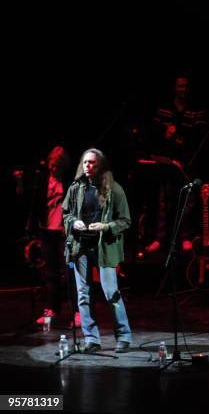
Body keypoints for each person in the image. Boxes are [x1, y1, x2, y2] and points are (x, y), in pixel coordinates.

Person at [63, 148, 132, 353]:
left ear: (100, 165)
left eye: (92, 162)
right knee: (83, 294)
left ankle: (124, 336)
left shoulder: (114, 189)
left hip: (104, 248)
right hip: (81, 246)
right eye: (85, 162)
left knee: (111, 292)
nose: (88, 166)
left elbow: (125, 220)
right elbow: (65, 213)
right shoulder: (75, 188)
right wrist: (73, 221)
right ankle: (91, 338)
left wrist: (106, 226)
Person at [13, 146, 80, 327]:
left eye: (57, 166)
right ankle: (52, 310)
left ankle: (77, 313)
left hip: (63, 233)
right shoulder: (42, 180)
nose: (53, 169)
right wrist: (19, 181)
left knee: (70, 272)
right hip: (46, 231)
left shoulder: (69, 183)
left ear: (63, 166)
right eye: (51, 165)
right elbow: (30, 199)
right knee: (50, 274)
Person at [145, 74, 208, 253]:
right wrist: (165, 134)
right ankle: (161, 238)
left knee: (188, 200)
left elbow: (199, 133)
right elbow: (154, 130)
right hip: (167, 161)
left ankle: (185, 236)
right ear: (175, 88)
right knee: (164, 201)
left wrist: (177, 133)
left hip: (188, 161)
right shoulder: (164, 109)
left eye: (187, 86)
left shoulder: (197, 110)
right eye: (181, 86)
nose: (184, 90)